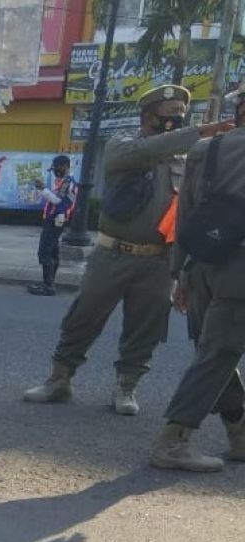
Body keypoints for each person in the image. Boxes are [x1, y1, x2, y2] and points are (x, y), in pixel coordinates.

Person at [23, 85, 234, 415]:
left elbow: (188, 212)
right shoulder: (123, 145)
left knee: (146, 328)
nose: (177, 117)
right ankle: (59, 379)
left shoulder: (186, 159)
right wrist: (199, 132)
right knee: (83, 317)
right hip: (112, 254)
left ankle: (126, 386)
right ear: (148, 115)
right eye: (170, 112)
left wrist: (183, 271)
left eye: (181, 111)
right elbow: (143, 152)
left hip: (157, 260)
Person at [150, 85, 245, 472]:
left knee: (214, 352)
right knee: (217, 355)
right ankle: (173, 441)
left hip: (203, 262)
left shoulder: (209, 149)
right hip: (240, 273)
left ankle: (240, 432)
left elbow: (187, 214)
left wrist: (182, 273)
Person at [27, 154, 77, 297]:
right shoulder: (63, 182)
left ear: (65, 166)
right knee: (53, 252)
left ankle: (48, 286)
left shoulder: (68, 182)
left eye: (57, 168)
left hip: (55, 221)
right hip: (55, 220)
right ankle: (49, 283)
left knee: (44, 252)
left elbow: (56, 200)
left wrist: (43, 189)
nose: (56, 171)